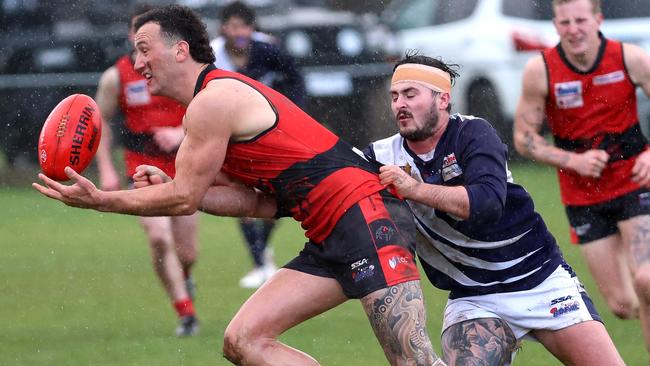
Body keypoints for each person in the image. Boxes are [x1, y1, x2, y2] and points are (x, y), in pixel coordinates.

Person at [33, 5, 445, 365]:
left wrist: (102, 200)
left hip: (366, 216)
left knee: (414, 362)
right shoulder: (209, 106)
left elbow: (183, 199)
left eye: (144, 48)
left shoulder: (213, 101)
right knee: (244, 340)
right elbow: (259, 204)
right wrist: (176, 185)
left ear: (181, 50)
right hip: (328, 231)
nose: (137, 62)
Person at [364, 52, 624, 365]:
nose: (399, 105)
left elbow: (486, 203)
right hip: (476, 299)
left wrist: (415, 190)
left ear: (443, 99)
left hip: (540, 279)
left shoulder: (473, 133)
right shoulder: (380, 156)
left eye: (410, 94)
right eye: (394, 96)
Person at [513, 0, 650, 355]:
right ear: (555, 26)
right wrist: (573, 161)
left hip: (636, 180)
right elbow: (524, 138)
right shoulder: (540, 70)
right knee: (622, 304)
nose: (573, 29)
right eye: (565, 22)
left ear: (598, 21)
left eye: (580, 20)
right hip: (583, 196)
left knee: (646, 280)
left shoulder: (630, 58)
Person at [93, 4, 200, 337]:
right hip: (140, 167)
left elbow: (212, 111)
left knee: (187, 252)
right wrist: (107, 168)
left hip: (185, 166)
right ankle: (186, 313)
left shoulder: (184, 71)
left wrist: (180, 133)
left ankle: (184, 278)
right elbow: (98, 122)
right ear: (130, 36)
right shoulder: (116, 76)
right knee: (157, 237)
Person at [210, 1, 307, 288]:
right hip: (233, 135)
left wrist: (293, 114)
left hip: (271, 134)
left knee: (276, 195)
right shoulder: (214, 56)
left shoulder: (269, 50)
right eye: (233, 25)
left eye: (244, 26)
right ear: (223, 28)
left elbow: (296, 81)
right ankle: (259, 261)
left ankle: (261, 255)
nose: (238, 32)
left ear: (252, 29)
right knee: (241, 194)